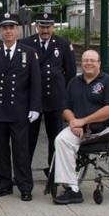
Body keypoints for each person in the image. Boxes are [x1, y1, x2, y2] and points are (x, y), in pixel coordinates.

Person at [0, 13, 42, 201]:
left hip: (20, 111)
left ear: (17, 30)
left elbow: (35, 83)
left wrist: (35, 107)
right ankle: (4, 185)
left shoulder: (28, 52)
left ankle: (25, 187)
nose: (8, 31)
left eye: (11, 27)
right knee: (0, 151)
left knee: (21, 151)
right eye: (4, 28)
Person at [53, 49, 109, 205]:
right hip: (80, 128)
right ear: (81, 63)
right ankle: (72, 189)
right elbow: (65, 107)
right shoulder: (73, 82)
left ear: (99, 64)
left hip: (106, 129)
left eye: (92, 60)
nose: (88, 63)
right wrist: (73, 122)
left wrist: (82, 121)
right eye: (85, 60)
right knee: (61, 139)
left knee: (79, 133)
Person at [19, 12, 77, 168]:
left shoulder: (63, 44)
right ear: (36, 26)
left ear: (53, 27)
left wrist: (64, 96)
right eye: (42, 27)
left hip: (55, 100)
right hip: (32, 100)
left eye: (48, 27)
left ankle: (53, 172)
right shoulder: (25, 44)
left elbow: (71, 72)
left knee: (56, 138)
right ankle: (24, 174)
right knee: (28, 139)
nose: (45, 31)